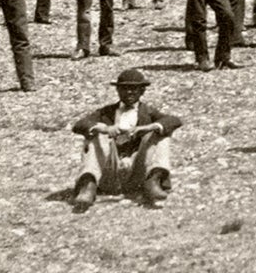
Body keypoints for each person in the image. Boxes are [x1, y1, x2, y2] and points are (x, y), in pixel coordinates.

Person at [70, 69, 182, 211]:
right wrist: (104, 129)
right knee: (95, 134)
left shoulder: (148, 112)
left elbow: (174, 120)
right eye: (124, 88)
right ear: (117, 90)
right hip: (110, 171)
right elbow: (80, 124)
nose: (129, 92)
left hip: (138, 172)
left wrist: (148, 127)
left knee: (160, 133)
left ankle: (153, 181)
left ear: (142, 91)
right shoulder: (107, 112)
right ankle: (88, 185)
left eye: (134, 89)